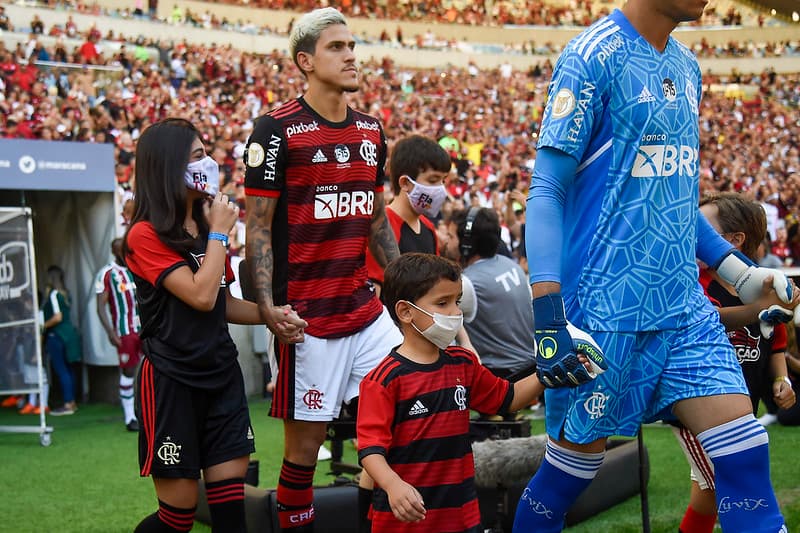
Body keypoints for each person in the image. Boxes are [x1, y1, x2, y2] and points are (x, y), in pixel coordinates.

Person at [513, 1, 794, 531]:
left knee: (744, 455)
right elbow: (547, 189)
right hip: (603, 313)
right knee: (569, 474)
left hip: (683, 308)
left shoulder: (687, 67)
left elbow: (677, 195)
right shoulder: (591, 55)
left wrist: (737, 273)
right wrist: (549, 313)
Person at [242, 8, 404, 532]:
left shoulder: (370, 130)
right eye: (337, 47)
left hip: (365, 309)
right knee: (304, 454)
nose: (352, 55)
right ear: (305, 61)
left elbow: (377, 217)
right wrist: (268, 307)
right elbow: (259, 226)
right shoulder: (275, 130)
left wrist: (408, 286)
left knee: (397, 428)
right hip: (305, 319)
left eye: (352, 45)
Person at [356, 253, 595, 532]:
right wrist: (393, 485)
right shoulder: (382, 380)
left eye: (457, 301)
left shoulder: (463, 362)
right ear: (406, 312)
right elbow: (370, 451)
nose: (455, 312)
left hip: (463, 515)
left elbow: (507, 397)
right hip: (404, 521)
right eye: (442, 303)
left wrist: (550, 372)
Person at [124, 118, 263, 533]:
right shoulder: (144, 235)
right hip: (171, 381)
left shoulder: (205, 228)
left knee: (230, 512)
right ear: (167, 166)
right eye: (198, 156)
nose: (209, 164)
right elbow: (199, 295)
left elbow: (221, 304)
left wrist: (275, 316)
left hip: (221, 375)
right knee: (178, 517)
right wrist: (220, 234)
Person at [672, 192, 798, 533]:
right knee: (729, 485)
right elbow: (711, 318)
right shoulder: (696, 284)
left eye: (701, 229)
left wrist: (781, 380)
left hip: (741, 406)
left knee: (708, 494)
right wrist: (759, 308)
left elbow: (776, 343)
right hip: (698, 408)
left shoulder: (761, 282)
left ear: (732, 240)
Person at [443, 207, 534, 380]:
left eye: (451, 236)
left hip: (500, 374)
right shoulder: (510, 264)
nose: (446, 241)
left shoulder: (468, 283)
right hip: (529, 366)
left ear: (467, 244)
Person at [365, 134, 452, 295]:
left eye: (443, 180)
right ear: (405, 183)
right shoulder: (382, 230)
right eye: (433, 180)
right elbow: (375, 295)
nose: (440, 189)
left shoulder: (428, 227)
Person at [96, 237, 143, 432]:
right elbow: (100, 306)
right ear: (114, 252)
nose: (125, 254)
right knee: (129, 371)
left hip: (144, 329)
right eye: (121, 251)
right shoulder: (107, 274)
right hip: (124, 332)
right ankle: (129, 417)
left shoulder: (136, 269)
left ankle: (145, 412)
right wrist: (110, 332)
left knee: (148, 369)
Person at [42, 265, 81, 416]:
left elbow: (57, 317)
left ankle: (67, 403)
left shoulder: (53, 294)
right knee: (69, 369)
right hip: (69, 334)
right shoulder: (66, 294)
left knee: (61, 369)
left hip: (57, 335)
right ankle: (72, 402)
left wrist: (42, 326)